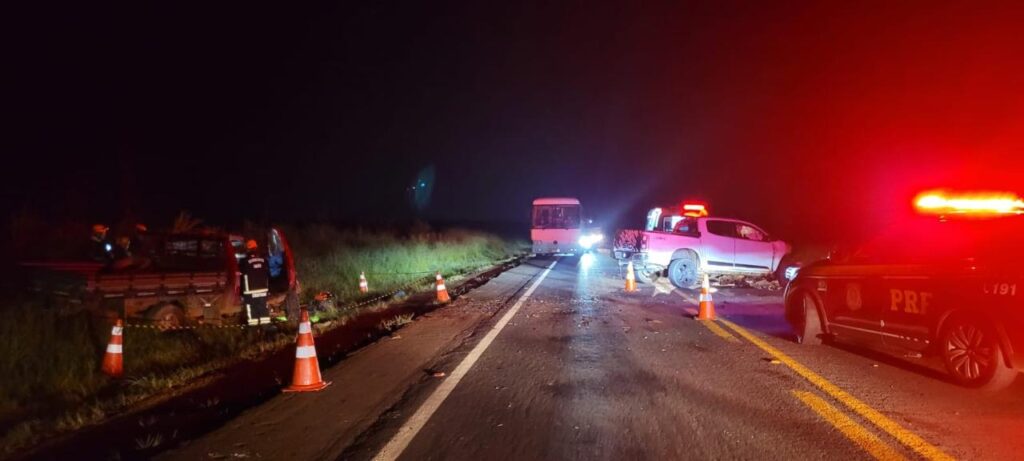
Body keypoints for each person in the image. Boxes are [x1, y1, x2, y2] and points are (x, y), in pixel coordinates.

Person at [239, 239, 271, 325]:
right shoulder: (264, 260)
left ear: (248, 249)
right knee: (264, 310)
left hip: (250, 291)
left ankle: (254, 331)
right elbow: (268, 273)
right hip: (263, 290)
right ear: (256, 248)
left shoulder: (244, 261)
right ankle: (266, 332)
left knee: (252, 312)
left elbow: (240, 274)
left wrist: (241, 293)